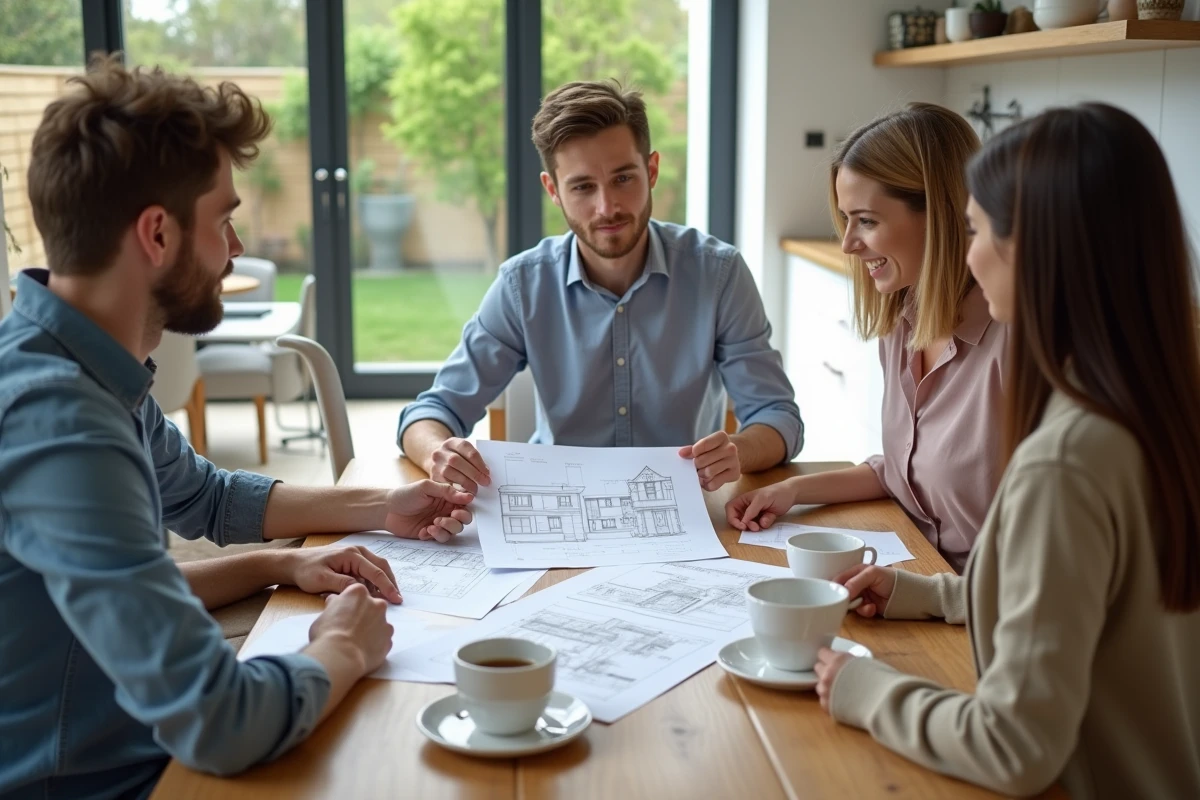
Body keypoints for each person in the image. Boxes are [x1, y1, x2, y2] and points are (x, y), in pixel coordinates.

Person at [0, 56, 473, 798]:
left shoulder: (80, 364)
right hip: (95, 779)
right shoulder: (65, 426)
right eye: (223, 218)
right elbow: (219, 721)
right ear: (156, 234)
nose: (237, 248)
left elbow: (206, 501)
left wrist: (369, 514)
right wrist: (342, 650)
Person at [813, 104, 1200, 799]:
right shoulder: (1153, 408)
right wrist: (934, 594)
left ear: (1037, 250)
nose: (966, 256)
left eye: (973, 230)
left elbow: (1015, 746)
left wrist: (867, 689)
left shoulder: (1065, 461)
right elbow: (1082, 593)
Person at [398, 80, 802, 494]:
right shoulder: (522, 284)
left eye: (623, 178)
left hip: (687, 505)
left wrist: (738, 450)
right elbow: (432, 411)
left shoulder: (719, 274)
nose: (606, 207)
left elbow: (778, 417)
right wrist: (437, 453)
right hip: (560, 501)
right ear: (553, 190)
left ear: (652, 171)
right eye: (583, 186)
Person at [726, 103, 1004, 572]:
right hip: (919, 575)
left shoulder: (1016, 343)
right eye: (846, 219)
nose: (849, 244)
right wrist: (790, 491)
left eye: (867, 220)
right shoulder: (904, 320)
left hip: (982, 608)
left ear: (938, 212)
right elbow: (904, 474)